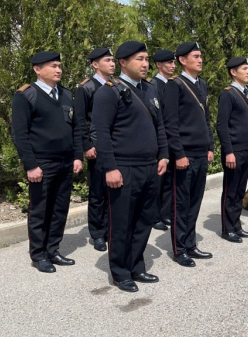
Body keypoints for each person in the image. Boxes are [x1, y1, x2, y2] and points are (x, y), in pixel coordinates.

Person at [92, 41, 169, 292]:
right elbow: (101, 133)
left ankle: (137, 265)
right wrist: (110, 168)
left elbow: (160, 125)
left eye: (146, 59)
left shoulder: (150, 89)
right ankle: (120, 271)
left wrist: (164, 155)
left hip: (150, 167)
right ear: (123, 63)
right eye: (139, 59)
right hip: (124, 169)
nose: (145, 64)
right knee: (122, 223)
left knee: (144, 220)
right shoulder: (109, 91)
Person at [11, 51, 83, 273]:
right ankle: (39, 254)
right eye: (53, 66)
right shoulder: (26, 95)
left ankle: (53, 249)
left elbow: (77, 128)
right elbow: (20, 134)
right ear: (37, 69)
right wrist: (31, 165)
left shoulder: (67, 94)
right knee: (40, 209)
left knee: (60, 208)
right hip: (42, 163)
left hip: (65, 161)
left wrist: (77, 156)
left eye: (59, 65)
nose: (58, 70)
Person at [162, 42, 214, 266]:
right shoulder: (175, 85)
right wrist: (179, 153)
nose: (200, 60)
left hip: (201, 154)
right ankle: (180, 248)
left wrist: (210, 147)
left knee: (195, 202)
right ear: (183, 60)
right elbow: (170, 123)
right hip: (184, 156)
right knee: (181, 204)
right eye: (195, 56)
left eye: (201, 55)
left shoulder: (201, 84)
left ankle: (191, 244)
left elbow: (206, 120)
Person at [74, 47, 115, 251]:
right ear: (95, 64)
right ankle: (98, 233)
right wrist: (87, 145)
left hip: (115, 145)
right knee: (98, 191)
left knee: (114, 189)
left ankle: (111, 228)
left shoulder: (116, 85)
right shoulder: (87, 87)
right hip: (97, 146)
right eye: (107, 60)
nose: (112, 63)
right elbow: (80, 120)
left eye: (113, 60)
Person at [216, 57, 248, 243]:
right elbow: (222, 126)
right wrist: (229, 151)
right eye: (244, 68)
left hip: (246, 149)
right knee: (230, 190)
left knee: (240, 190)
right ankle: (228, 228)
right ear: (233, 72)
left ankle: (236, 224)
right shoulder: (228, 94)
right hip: (233, 151)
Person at [149, 49, 176, 231]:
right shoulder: (153, 84)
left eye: (174, 63)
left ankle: (166, 212)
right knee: (158, 180)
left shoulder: (175, 84)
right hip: (160, 136)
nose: (172, 66)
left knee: (170, 179)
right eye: (168, 63)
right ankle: (155, 215)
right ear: (159, 65)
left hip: (173, 137)